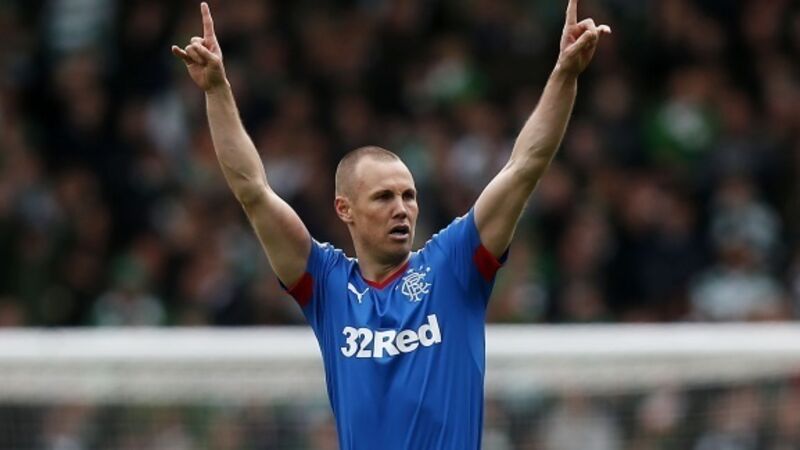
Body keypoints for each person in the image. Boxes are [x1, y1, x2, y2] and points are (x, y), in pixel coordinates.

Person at [172, 2, 609, 449]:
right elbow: (253, 190)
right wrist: (217, 90)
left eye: (409, 196)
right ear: (345, 209)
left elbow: (524, 167)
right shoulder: (326, 285)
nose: (402, 209)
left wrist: (564, 75)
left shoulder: (453, 265)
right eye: (383, 197)